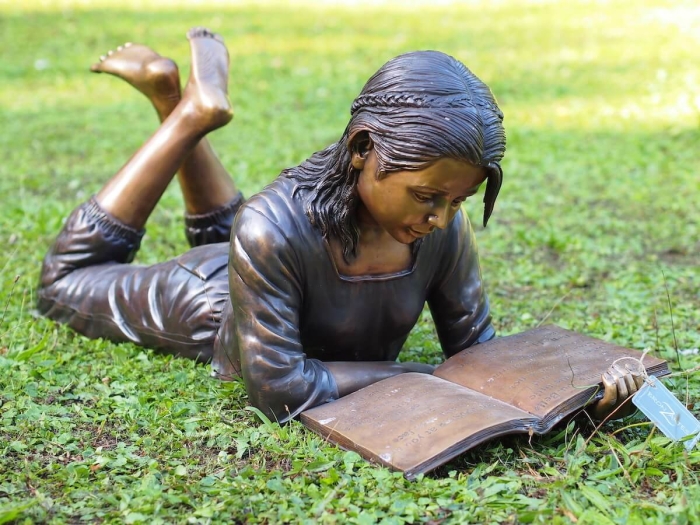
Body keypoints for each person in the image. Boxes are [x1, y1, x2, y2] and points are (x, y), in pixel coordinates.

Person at [38, 28, 641, 424]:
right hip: (211, 299)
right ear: (361, 150)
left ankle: (184, 107)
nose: (440, 219)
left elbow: (477, 356)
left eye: (459, 202)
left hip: (265, 260)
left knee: (235, 226)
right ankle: (182, 116)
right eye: (428, 197)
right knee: (66, 281)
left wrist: (580, 399)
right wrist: (425, 375)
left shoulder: (442, 230)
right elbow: (280, 389)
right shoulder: (271, 229)